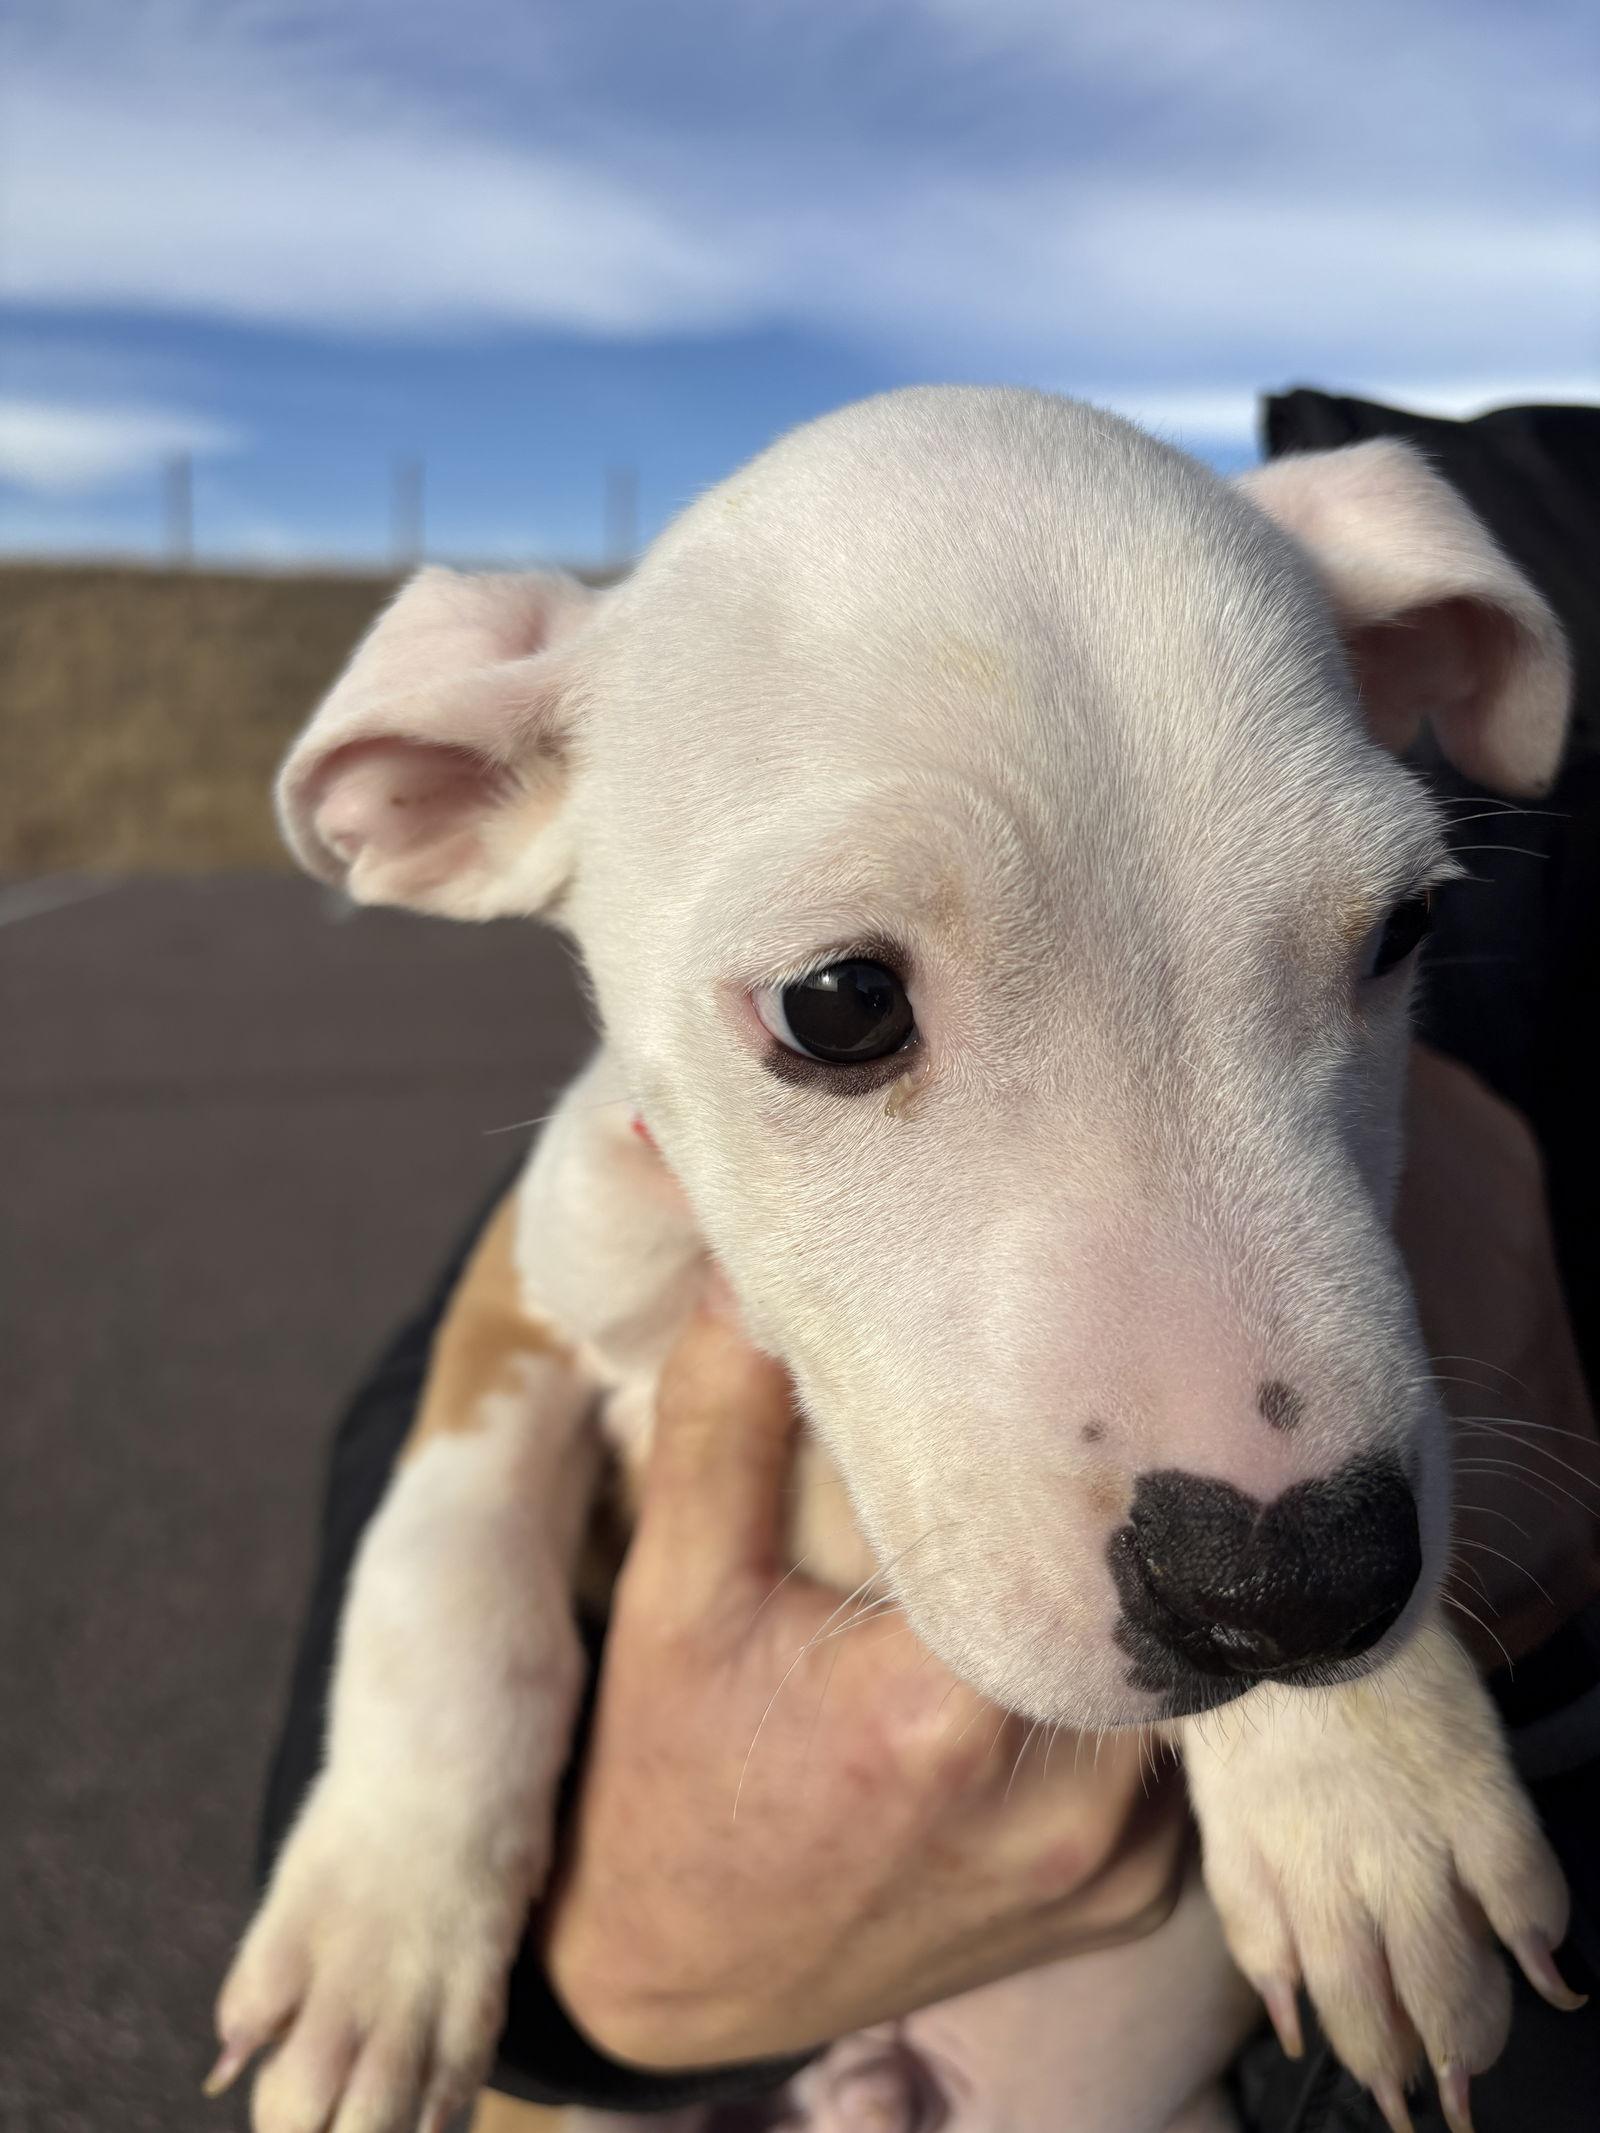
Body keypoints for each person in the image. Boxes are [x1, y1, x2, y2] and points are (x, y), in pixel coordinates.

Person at [258, 396, 1600, 2131]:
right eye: (848, 1008)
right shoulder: (626, 1137)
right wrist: (424, 1809)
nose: (1290, 1482)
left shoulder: (1338, 593)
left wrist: (1336, 1709)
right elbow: (492, 1374)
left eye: (1387, 932)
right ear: (467, 787)